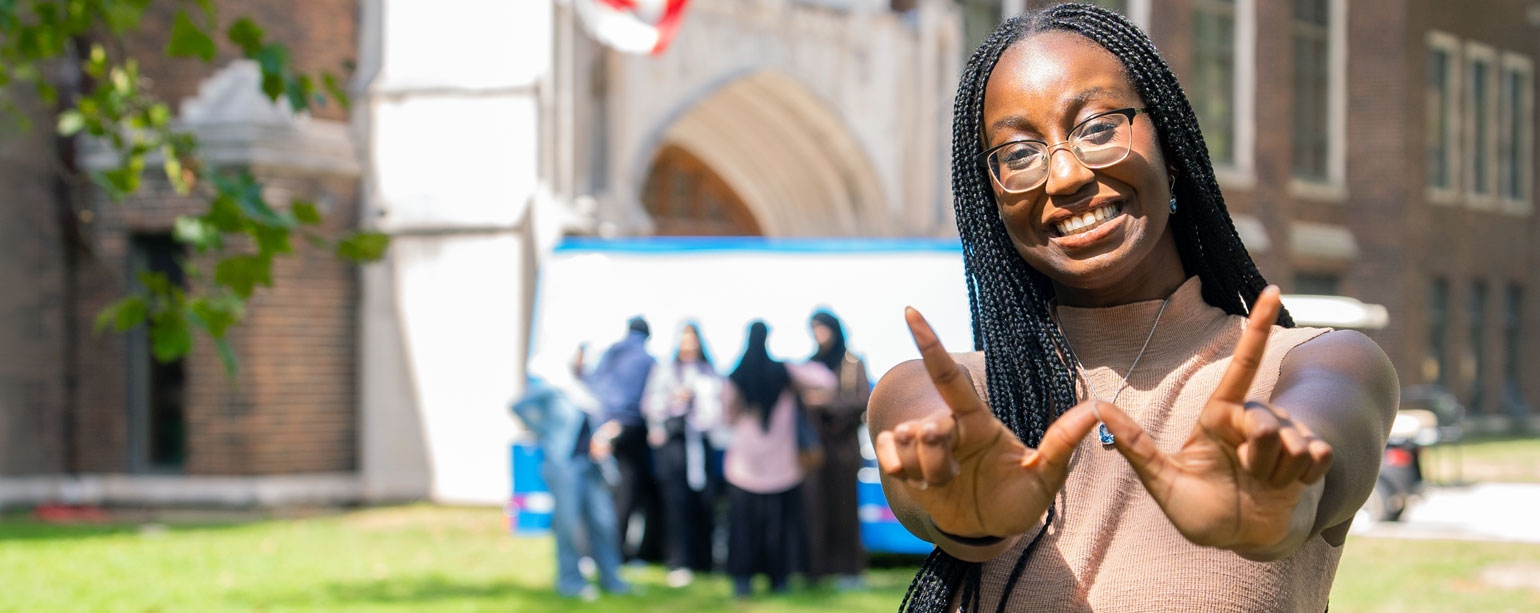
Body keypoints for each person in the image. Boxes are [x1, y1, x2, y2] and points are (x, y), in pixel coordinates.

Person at [868, 4, 1398, 612]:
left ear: (1170, 144)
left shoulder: (1315, 367)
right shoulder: (954, 394)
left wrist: (1275, 495)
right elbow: (926, 455)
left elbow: (1318, 443)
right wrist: (963, 508)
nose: (1063, 176)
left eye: (1096, 128)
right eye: (1018, 154)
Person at [722, 321, 837, 598]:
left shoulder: (737, 375)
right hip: (782, 466)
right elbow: (827, 381)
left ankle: (743, 581)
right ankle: (779, 579)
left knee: (744, 529)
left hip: (743, 467)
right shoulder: (784, 371)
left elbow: (726, 416)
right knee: (780, 528)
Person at [511, 360, 630, 600]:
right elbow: (518, 405)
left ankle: (612, 579)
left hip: (592, 465)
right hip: (563, 464)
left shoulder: (585, 389)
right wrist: (543, 429)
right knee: (569, 525)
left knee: (603, 522)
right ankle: (571, 582)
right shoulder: (553, 389)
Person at [641, 322, 724, 587]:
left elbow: (721, 406)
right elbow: (651, 405)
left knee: (705, 503)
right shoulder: (666, 371)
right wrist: (673, 402)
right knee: (676, 504)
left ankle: (704, 560)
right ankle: (678, 561)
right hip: (675, 442)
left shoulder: (709, 372)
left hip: (702, 442)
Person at [799, 310, 871, 590]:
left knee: (844, 509)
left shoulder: (852, 363)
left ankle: (848, 571)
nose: (819, 334)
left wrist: (828, 402)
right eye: (814, 329)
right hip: (816, 449)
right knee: (815, 509)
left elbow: (862, 400)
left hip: (844, 449)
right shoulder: (810, 365)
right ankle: (817, 571)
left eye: (822, 328)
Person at [582, 316, 664, 563]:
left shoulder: (609, 354)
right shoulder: (648, 360)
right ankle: (616, 552)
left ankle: (593, 550)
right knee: (628, 493)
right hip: (631, 428)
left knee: (601, 493)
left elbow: (592, 384)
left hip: (602, 427)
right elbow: (650, 399)